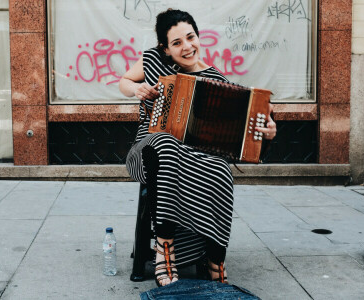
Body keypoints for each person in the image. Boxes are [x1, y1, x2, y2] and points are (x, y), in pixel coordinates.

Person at [119, 9, 277, 287]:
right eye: (177, 42)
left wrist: (268, 132)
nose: (187, 46)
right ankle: (164, 248)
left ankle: (215, 256)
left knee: (219, 167)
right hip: (148, 146)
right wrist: (136, 90)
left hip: (195, 152)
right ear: (165, 49)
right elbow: (124, 81)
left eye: (190, 37)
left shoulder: (217, 80)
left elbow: (242, 133)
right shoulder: (154, 60)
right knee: (166, 143)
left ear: (198, 36)